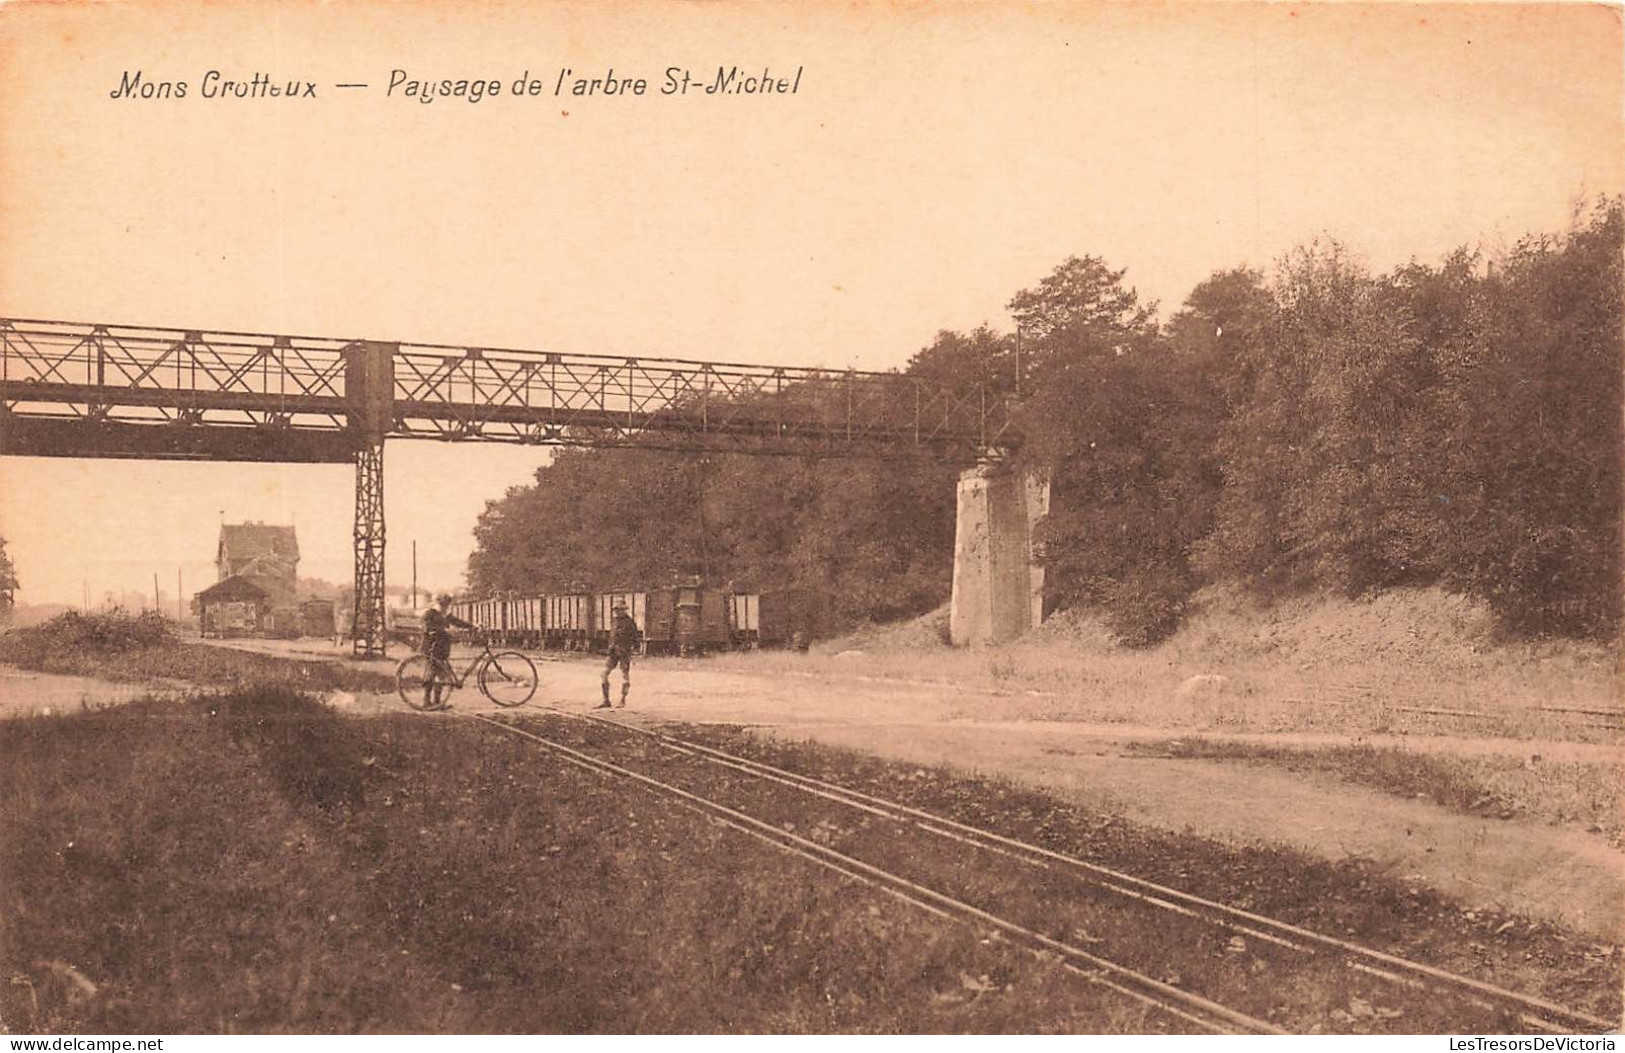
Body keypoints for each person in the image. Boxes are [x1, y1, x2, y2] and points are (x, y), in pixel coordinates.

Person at [422, 594, 473, 710]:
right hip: (432, 647)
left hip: (441, 648)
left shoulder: (444, 615)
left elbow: (458, 622)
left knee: (441, 676)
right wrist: (442, 631)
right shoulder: (429, 614)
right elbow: (426, 627)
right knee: (432, 674)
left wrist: (472, 626)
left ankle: (437, 702)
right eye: (444, 605)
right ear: (438, 604)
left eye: (446, 605)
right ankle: (426, 701)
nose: (445, 607)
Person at [598, 601, 640, 709]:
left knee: (624, 676)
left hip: (624, 652)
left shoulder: (630, 623)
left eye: (619, 609)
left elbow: (635, 638)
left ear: (624, 610)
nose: (616, 612)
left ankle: (622, 700)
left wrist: (631, 649)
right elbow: (611, 636)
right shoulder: (614, 621)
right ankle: (606, 700)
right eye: (615, 610)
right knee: (603, 674)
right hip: (612, 652)